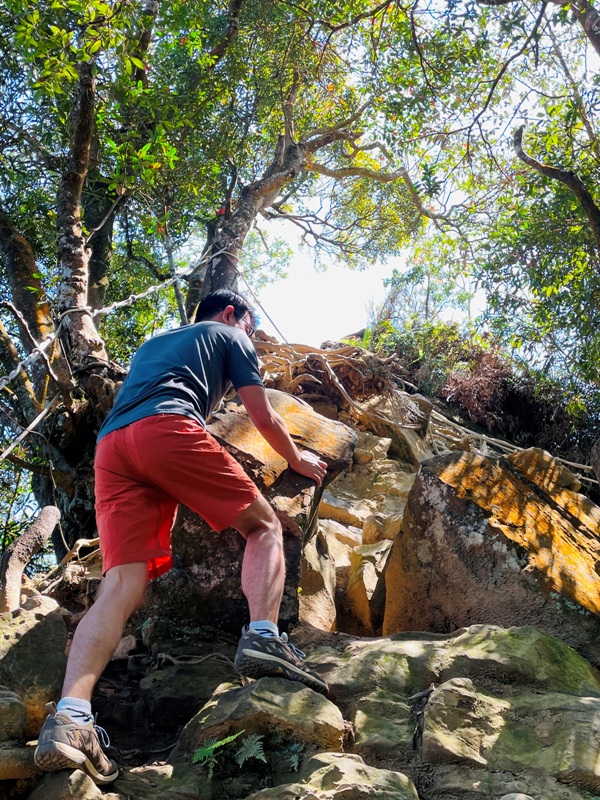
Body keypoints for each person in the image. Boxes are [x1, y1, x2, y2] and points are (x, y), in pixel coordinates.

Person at [34, 289, 328, 785]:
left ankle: (71, 719)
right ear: (232, 314)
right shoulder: (230, 334)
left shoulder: (154, 345)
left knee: (120, 584)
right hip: (166, 430)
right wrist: (297, 458)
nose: (253, 335)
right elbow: (263, 414)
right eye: (251, 326)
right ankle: (264, 637)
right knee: (264, 526)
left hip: (113, 449)